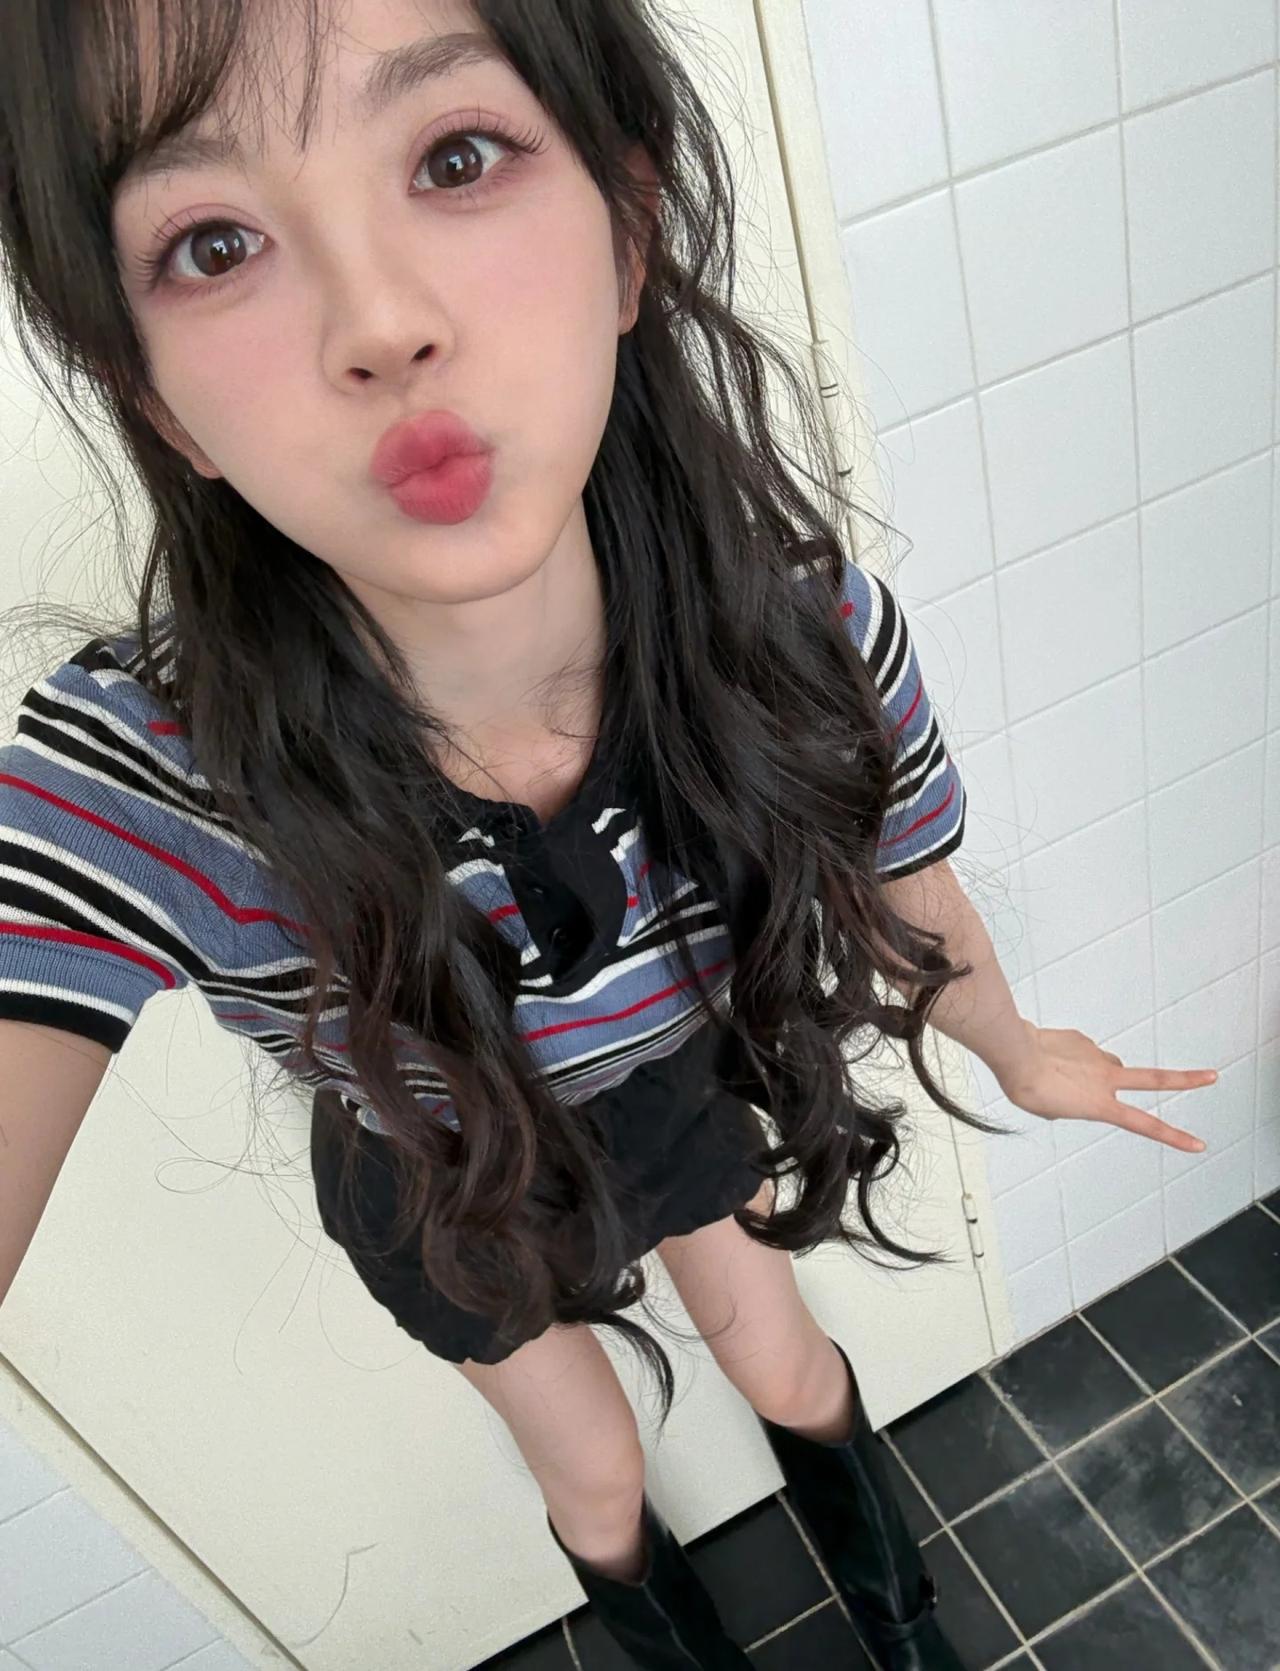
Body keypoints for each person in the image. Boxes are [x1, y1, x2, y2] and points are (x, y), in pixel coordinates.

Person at [0, 2, 1220, 1667]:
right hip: (444, 1176)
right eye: (215, 245)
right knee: (589, 1468)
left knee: (786, 1359)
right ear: (161, 407)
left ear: (629, 236)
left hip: (675, 1094)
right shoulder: (148, 779)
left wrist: (1008, 1041)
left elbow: (899, 871)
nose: (383, 324)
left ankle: (907, 1632)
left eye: (456, 157)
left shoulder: (800, 638)